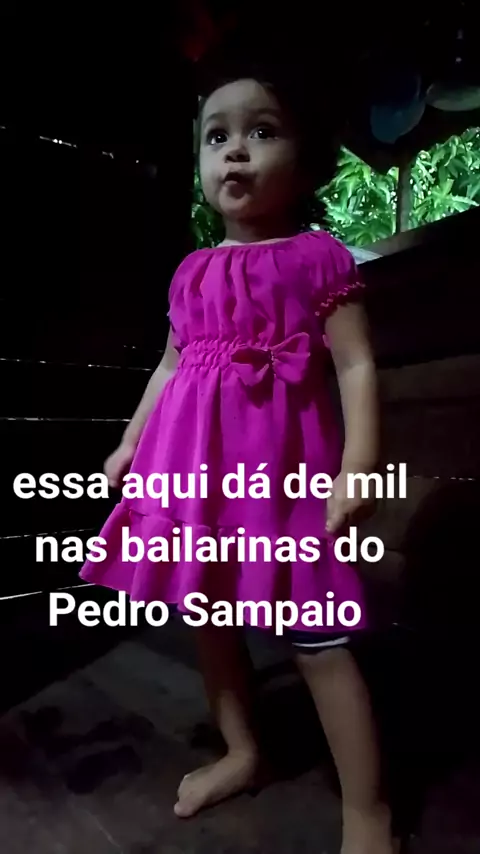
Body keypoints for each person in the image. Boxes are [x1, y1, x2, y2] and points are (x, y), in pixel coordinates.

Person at [80, 64, 397, 854]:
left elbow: (357, 365)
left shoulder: (319, 260)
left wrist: (359, 464)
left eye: (262, 131)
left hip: (283, 478)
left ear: (307, 161)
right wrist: (130, 441)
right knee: (209, 615)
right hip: (192, 475)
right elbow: (168, 367)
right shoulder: (191, 274)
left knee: (315, 635)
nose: (236, 151)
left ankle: (369, 811)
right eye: (216, 136)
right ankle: (243, 751)